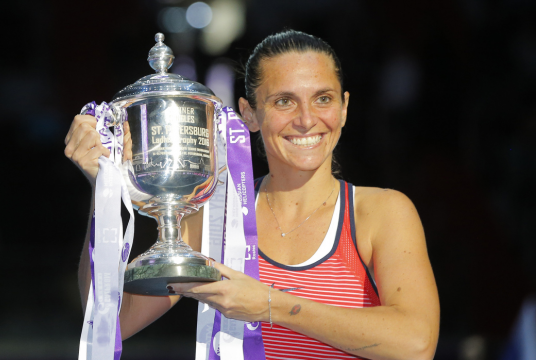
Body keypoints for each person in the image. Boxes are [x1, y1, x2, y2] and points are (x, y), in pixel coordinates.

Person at [64, 30, 439, 360]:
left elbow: (416, 343)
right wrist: (106, 189)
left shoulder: (382, 212)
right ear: (249, 115)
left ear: (344, 108)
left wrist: (269, 305)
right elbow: (109, 322)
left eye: (322, 99)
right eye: (284, 101)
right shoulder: (215, 218)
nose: (307, 119)